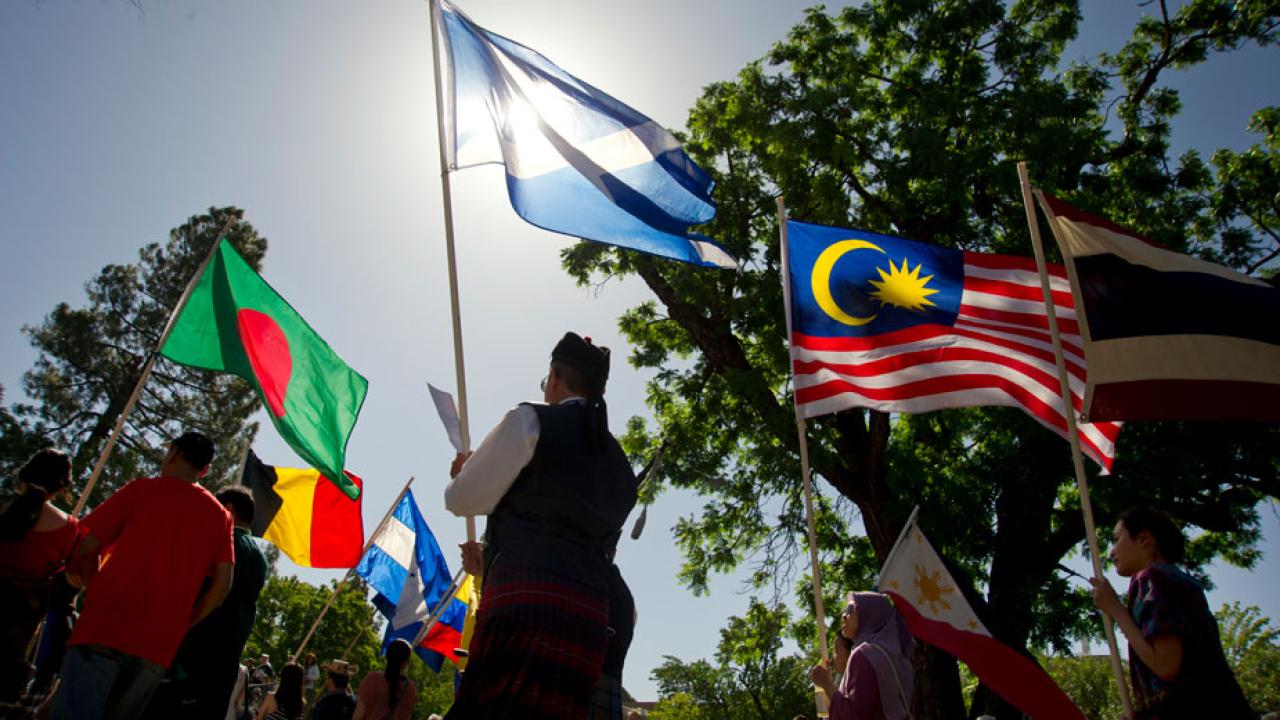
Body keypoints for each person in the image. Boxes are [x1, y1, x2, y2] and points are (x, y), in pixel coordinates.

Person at [443, 332, 639, 719]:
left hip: (523, 606)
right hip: (588, 623)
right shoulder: (620, 465)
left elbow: (460, 499)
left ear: (554, 377)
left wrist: (466, 473)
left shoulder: (531, 419)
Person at [49, 431, 236, 720]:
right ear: (205, 469)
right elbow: (223, 585)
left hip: (105, 625)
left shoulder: (141, 491)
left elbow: (86, 547)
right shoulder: (220, 517)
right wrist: (186, 622)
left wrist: (93, 585)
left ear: (172, 452)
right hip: (158, 644)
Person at [1090, 507, 1253, 719]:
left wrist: (1115, 609)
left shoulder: (1153, 578)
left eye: (1117, 538)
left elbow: (1166, 665)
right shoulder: (1182, 583)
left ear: (1144, 540)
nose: (1111, 551)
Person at [154, 486, 269, 719]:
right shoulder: (260, 558)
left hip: (191, 659)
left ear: (228, 510)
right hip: (226, 665)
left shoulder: (219, 541)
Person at [0, 448, 77, 704]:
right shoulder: (69, 531)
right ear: (62, 486)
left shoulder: (6, 514)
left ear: (25, 474)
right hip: (14, 642)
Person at [810, 592, 915, 720]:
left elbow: (855, 716)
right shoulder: (893, 654)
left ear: (869, 614)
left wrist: (826, 684)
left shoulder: (864, 655)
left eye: (850, 609)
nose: (844, 616)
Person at [353, 639, 415, 720]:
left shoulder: (372, 679)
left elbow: (358, 714)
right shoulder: (410, 688)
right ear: (406, 662)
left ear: (387, 656)